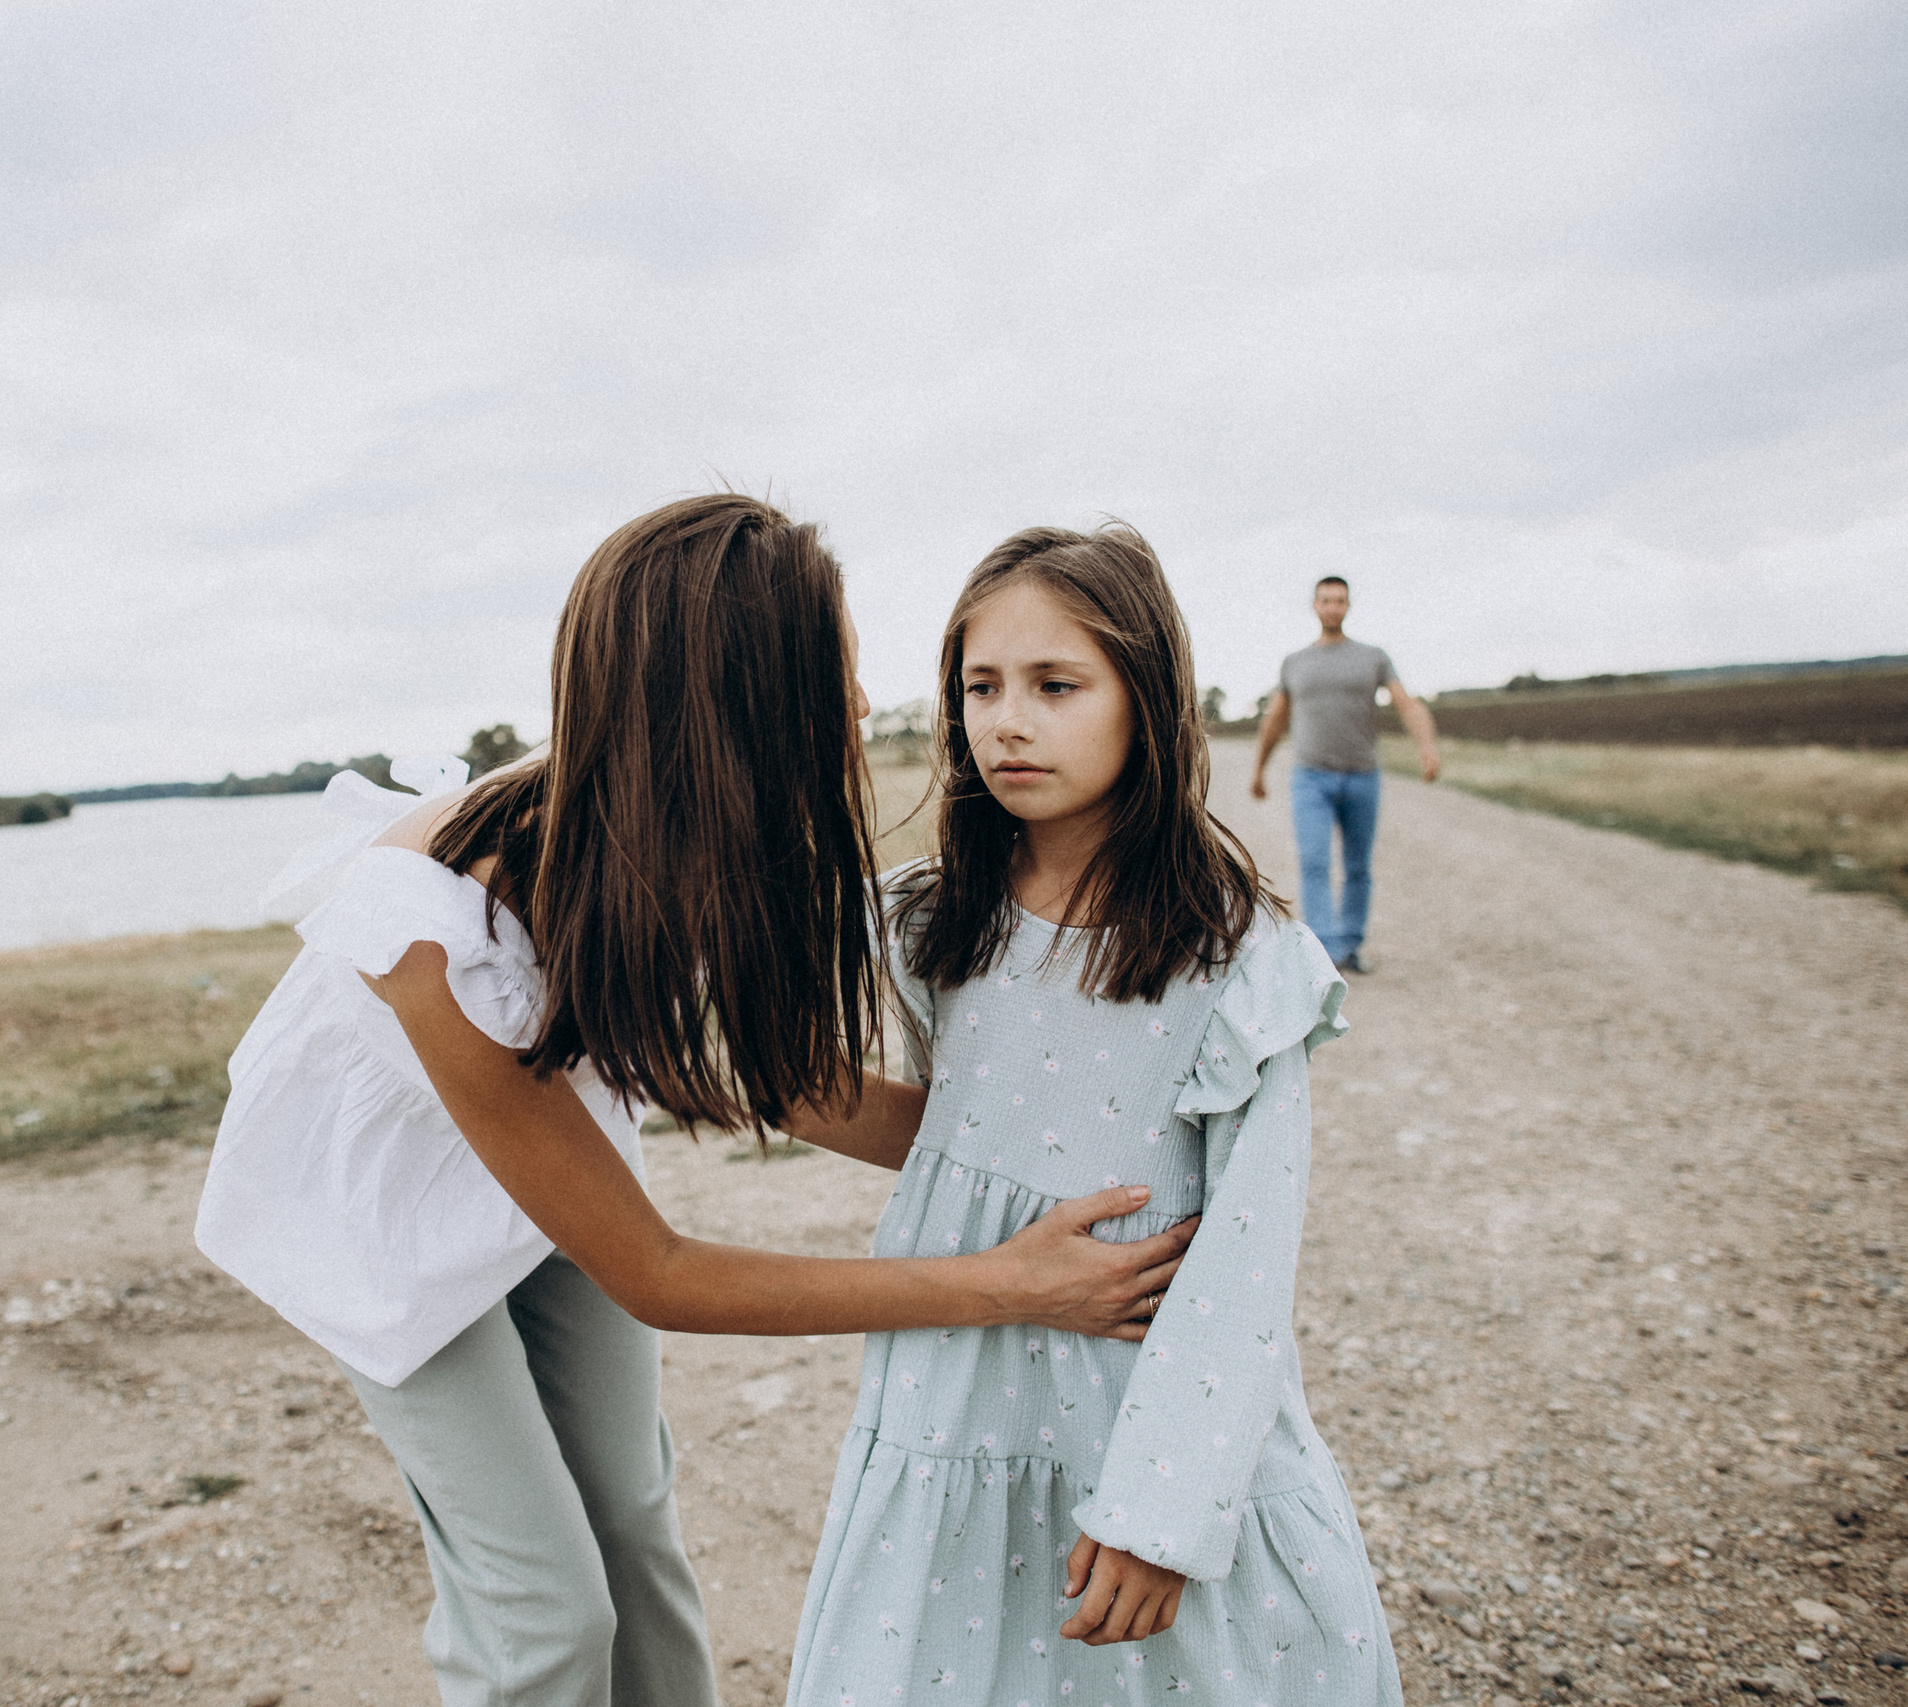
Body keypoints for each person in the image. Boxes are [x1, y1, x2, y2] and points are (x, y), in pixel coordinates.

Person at [194, 495, 1201, 1707]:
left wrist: (1063, 1147)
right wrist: (1010, 1287)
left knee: (634, 1530)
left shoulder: (692, 820)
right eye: (829, 667)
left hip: (540, 1167)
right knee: (546, 1615)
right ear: (742, 702)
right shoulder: (430, 925)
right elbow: (659, 1274)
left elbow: (788, 1083)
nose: (854, 698)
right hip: (377, 1213)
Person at [783, 525, 1401, 1705]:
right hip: (952, 1393)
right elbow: (899, 1108)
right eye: (980, 686)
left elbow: (1246, 1258)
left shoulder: (1235, 955)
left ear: (1146, 700)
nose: (1006, 720)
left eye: (1056, 686)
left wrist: (1163, 1509)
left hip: (1138, 1409)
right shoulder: (934, 916)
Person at [1248, 576, 1439, 974]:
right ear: (1314, 605)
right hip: (1310, 777)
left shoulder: (1373, 657)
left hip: (1362, 776)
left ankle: (1350, 945)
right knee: (1315, 862)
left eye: (1340, 600)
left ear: (1348, 606)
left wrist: (1427, 747)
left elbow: (1406, 704)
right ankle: (1324, 954)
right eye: (1326, 600)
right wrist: (1259, 768)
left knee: (1358, 867)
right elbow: (1276, 718)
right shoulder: (1295, 662)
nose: (1333, 606)